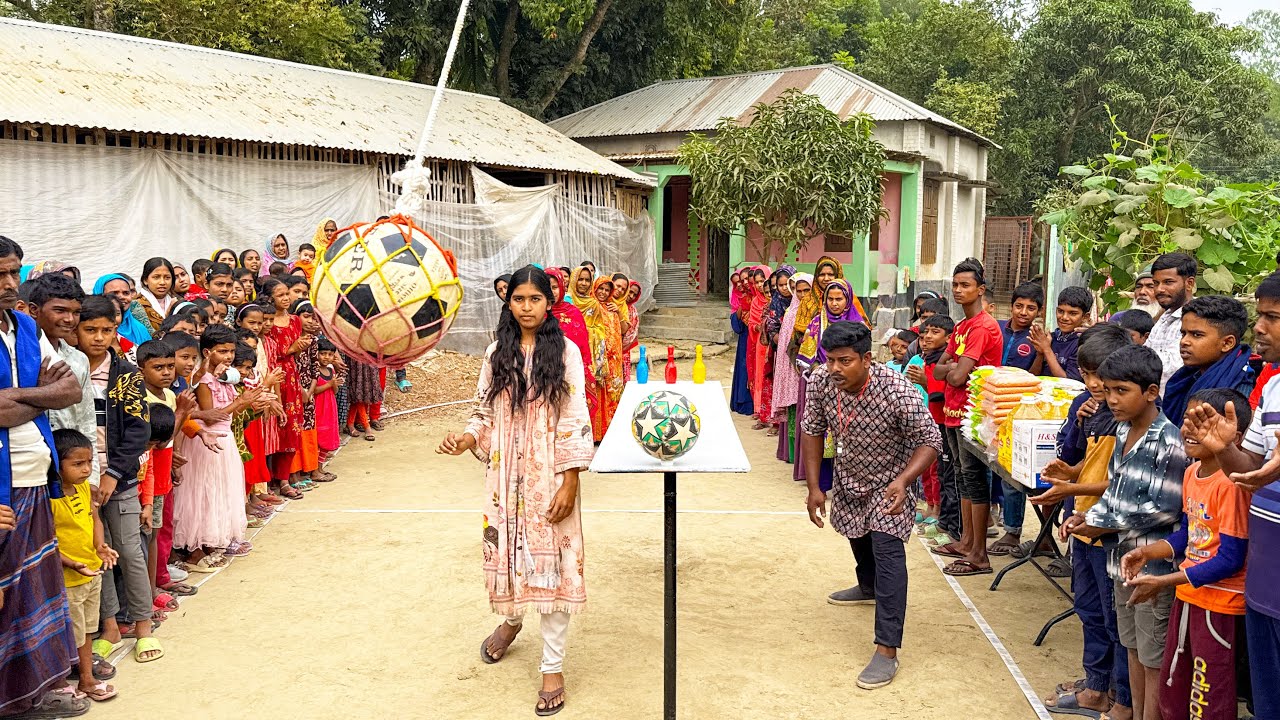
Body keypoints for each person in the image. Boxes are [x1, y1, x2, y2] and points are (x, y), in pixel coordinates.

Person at [437, 265, 592, 716]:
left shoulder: (565, 354)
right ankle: (511, 619)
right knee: (510, 555)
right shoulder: (494, 354)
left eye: (535, 299)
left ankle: (552, 667)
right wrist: (466, 438)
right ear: (509, 303)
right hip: (504, 481)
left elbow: (575, 416)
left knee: (554, 566)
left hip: (550, 478)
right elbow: (481, 413)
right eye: (519, 299)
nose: (526, 307)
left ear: (549, 303)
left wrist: (571, 479)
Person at [801, 321, 941, 689]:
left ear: (866, 358)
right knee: (855, 534)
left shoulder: (897, 390)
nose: (834, 369)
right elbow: (813, 429)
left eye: (844, 361)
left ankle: (886, 650)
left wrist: (904, 480)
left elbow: (930, 440)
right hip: (849, 479)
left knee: (887, 550)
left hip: (892, 485)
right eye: (830, 360)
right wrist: (816, 486)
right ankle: (867, 586)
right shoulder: (819, 382)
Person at [1064, 344, 1186, 720]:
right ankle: (1131, 711)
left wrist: (1103, 522)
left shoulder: (1169, 441)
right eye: (1108, 390)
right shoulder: (1122, 430)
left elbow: (1163, 508)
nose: (1112, 400)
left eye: (1122, 391)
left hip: (1154, 569)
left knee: (1152, 656)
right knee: (1131, 645)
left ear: (1151, 393)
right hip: (1121, 562)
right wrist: (1088, 517)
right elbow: (1115, 490)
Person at [1181, 271, 1280, 720]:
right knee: (1266, 697)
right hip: (1264, 575)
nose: (1259, 328)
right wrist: (1225, 450)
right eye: (1260, 316)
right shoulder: (1274, 388)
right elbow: (1252, 475)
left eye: (1272, 318)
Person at [1122, 388, 1251, 720]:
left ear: (1233, 436)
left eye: (1204, 421)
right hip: (1190, 592)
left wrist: (1165, 581)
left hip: (1219, 604)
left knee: (1208, 691)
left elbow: (1231, 558)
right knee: (1176, 679)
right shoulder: (1193, 473)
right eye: (1188, 419)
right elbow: (1190, 533)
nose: (1191, 429)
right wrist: (1149, 552)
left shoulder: (1231, 484)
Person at [0, 236, 87, 718]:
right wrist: (41, 393)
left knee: (34, 595)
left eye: (14, 273)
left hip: (36, 481)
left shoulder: (25, 327)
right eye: (0, 276)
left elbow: (70, 387)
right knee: (7, 598)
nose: (10, 285)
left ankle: (29, 694)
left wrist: (20, 398)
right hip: (3, 490)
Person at [1032, 323, 1133, 719]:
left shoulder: (1131, 419)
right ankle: (1095, 685)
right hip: (1085, 526)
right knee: (1090, 610)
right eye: (1088, 375)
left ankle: (1115, 694)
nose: (1093, 385)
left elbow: (1123, 479)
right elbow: (1079, 462)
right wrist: (1070, 472)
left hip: (1111, 532)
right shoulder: (1086, 409)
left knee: (1115, 621)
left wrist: (1071, 490)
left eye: (1103, 378)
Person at [76, 294, 161, 663]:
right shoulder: (68, 368)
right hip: (80, 481)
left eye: (106, 330)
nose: (97, 337)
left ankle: (143, 625)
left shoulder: (124, 373)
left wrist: (112, 474)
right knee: (100, 552)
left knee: (129, 551)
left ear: (115, 331)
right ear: (76, 330)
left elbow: (138, 432)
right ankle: (109, 626)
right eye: (89, 329)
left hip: (119, 480)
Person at [932, 258, 1004, 576]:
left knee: (973, 478)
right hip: (952, 412)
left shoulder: (983, 327)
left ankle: (979, 554)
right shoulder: (961, 326)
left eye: (966, 285)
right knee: (962, 476)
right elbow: (938, 369)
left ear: (980, 289)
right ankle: (966, 542)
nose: (959, 290)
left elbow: (958, 376)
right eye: (956, 284)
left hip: (972, 414)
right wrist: (952, 369)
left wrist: (953, 368)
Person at [171, 325, 258, 570]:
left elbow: (228, 413)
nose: (228, 356)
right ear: (208, 352)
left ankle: (213, 542)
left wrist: (248, 402)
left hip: (224, 439)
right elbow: (210, 416)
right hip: (205, 441)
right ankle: (196, 548)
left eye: (231, 351)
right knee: (202, 493)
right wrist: (240, 401)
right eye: (222, 351)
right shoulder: (204, 381)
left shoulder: (223, 378)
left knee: (220, 491)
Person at [50, 428, 119, 703]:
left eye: (89, 462)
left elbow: (95, 520)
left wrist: (100, 546)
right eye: (77, 464)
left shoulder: (83, 489)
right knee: (74, 631)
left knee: (89, 628)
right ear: (56, 464)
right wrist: (71, 563)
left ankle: (86, 676)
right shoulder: (50, 500)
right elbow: (47, 542)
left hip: (91, 571)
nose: (86, 469)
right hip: (69, 577)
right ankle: (79, 680)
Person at [29, 274, 100, 497]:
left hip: (69, 473)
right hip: (30, 467)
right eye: (60, 310)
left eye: (76, 312)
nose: (69, 319)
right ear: (34, 310)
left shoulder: (78, 360)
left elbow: (86, 420)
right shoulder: (21, 357)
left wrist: (93, 474)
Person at [1159, 295, 1255, 429]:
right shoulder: (1183, 378)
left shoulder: (1240, 389)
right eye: (1183, 333)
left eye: (1196, 335)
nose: (1184, 341)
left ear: (1227, 343)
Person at [907, 314, 955, 534]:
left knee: (941, 471)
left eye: (934, 332)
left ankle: (939, 512)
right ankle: (931, 505)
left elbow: (938, 395)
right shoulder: (925, 359)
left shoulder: (943, 362)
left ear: (948, 338)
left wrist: (924, 381)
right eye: (925, 332)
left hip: (941, 421)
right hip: (926, 420)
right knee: (928, 469)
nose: (926, 337)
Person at [545, 268, 598, 432]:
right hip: (543, 375)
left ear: (562, 287)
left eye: (555, 287)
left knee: (568, 421)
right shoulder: (536, 313)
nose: (551, 292)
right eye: (547, 287)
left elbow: (584, 349)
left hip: (570, 375)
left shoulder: (573, 313)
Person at [772, 272, 811, 464]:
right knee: (793, 409)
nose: (802, 294)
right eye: (798, 290)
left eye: (807, 290)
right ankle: (790, 453)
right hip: (788, 369)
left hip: (803, 368)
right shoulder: (790, 312)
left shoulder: (813, 312)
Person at [1146, 252, 1197, 391]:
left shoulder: (1197, 319)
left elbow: (1173, 368)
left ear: (1189, 283)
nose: (1159, 289)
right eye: (1156, 283)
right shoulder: (1165, 316)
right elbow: (1146, 352)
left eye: (1168, 282)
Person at [582, 277, 624, 441]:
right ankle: (595, 434)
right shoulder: (590, 306)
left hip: (613, 361)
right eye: (601, 289)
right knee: (596, 393)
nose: (603, 293)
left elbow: (621, 332)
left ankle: (609, 432)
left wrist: (619, 312)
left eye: (607, 290)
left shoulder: (612, 308)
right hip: (597, 359)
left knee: (611, 395)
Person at [1030, 286, 1091, 381]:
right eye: (1060, 311)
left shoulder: (1083, 343)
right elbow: (1033, 376)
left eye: (1073, 313)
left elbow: (1069, 382)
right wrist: (1040, 353)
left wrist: (1047, 349)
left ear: (1085, 317)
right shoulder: (1051, 337)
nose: (1064, 317)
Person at [1000, 282, 1043, 372]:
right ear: (1011, 306)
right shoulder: (996, 327)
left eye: (1030, 308)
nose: (1023, 312)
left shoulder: (1038, 338)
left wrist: (1040, 354)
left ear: (1039, 311)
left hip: (1019, 385)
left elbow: (1034, 376)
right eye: (1019, 306)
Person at [729, 272, 755, 417]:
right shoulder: (738, 299)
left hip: (757, 339)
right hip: (745, 339)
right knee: (744, 370)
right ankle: (741, 402)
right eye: (736, 283)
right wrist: (740, 307)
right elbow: (737, 327)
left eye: (743, 280)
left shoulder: (757, 297)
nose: (740, 284)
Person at [135, 257, 176, 337]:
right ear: (145, 280)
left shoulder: (177, 302)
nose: (162, 282)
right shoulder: (137, 305)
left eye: (167, 277)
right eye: (156, 277)